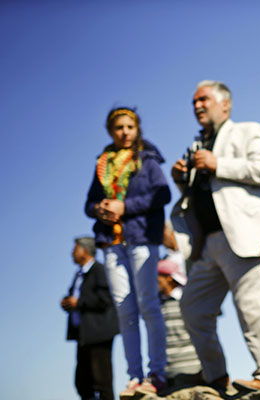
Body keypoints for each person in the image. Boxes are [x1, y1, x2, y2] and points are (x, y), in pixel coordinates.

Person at [171, 81, 260, 396]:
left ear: (225, 104)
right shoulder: (197, 146)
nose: (197, 106)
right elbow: (205, 195)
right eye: (194, 102)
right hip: (207, 243)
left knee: (255, 308)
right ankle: (215, 376)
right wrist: (183, 180)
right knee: (192, 308)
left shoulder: (248, 130)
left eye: (203, 99)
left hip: (245, 238)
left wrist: (217, 163)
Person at [85, 107, 171, 397]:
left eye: (129, 127)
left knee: (149, 305)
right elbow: (88, 204)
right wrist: (99, 209)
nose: (124, 132)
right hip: (112, 243)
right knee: (125, 310)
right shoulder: (103, 163)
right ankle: (135, 377)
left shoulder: (147, 159)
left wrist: (125, 207)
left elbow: (163, 194)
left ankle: (157, 372)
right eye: (119, 127)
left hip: (141, 238)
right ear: (110, 131)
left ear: (137, 129)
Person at [61, 237, 119, 400]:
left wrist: (79, 302)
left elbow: (105, 299)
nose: (72, 253)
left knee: (102, 380)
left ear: (85, 251)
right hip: (84, 335)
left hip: (99, 333)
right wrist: (68, 302)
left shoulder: (99, 270)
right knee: (82, 381)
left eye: (75, 249)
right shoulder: (79, 274)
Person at [157, 259, 202, 389]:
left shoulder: (188, 302)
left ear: (169, 279)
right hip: (167, 373)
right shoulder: (157, 306)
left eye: (158, 277)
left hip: (191, 370)